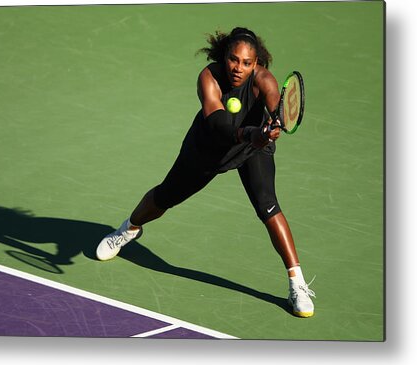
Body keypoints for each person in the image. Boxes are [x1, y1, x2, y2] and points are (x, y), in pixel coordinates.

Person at [95, 27, 315, 318]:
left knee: (268, 206)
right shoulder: (208, 78)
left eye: (247, 63)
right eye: (234, 60)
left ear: (256, 63)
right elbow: (217, 123)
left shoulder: (265, 81)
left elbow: (277, 108)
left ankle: (296, 283)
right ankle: (127, 230)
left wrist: (272, 128)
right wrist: (251, 133)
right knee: (165, 196)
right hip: (209, 147)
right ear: (225, 57)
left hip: (252, 150)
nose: (238, 68)